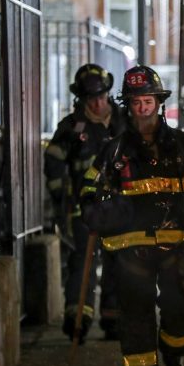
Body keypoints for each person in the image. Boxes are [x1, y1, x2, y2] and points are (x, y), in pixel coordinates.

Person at [80, 66, 184, 366]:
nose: (143, 108)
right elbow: (88, 188)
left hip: (177, 244)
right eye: (137, 102)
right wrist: (96, 212)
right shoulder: (114, 151)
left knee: (181, 308)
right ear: (129, 105)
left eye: (148, 101)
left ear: (158, 103)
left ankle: (174, 356)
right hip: (130, 246)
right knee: (135, 311)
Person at [44, 63, 125, 342]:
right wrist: (60, 197)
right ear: (82, 99)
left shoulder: (123, 121)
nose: (98, 103)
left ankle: (113, 319)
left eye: (102, 97)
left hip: (119, 207)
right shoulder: (71, 127)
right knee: (84, 262)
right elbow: (53, 162)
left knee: (117, 261)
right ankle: (78, 319)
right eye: (92, 99)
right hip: (85, 209)